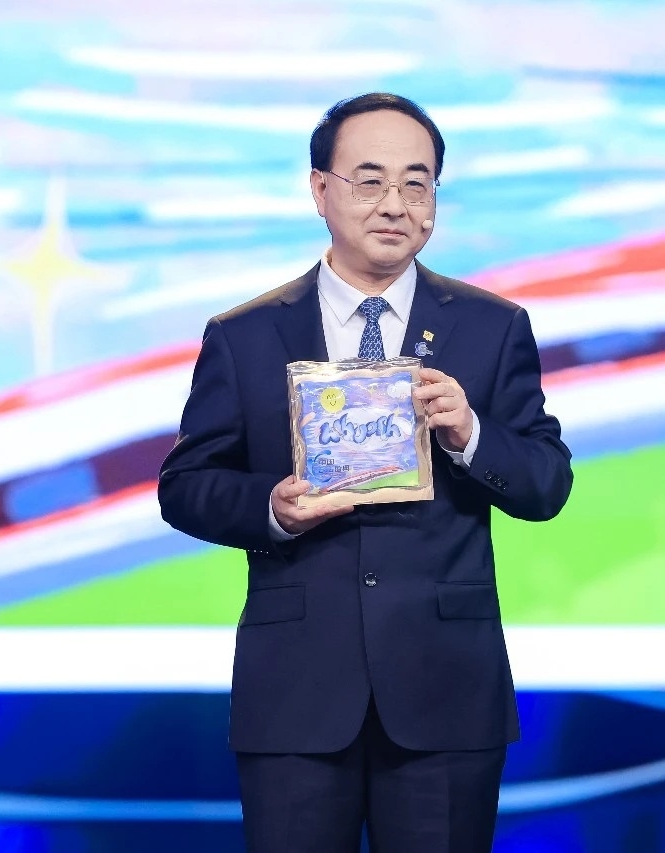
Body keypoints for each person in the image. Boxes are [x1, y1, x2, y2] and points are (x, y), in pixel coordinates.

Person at [158, 92, 573, 852]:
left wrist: (470, 435)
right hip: (296, 695)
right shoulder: (245, 334)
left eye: (417, 183)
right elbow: (185, 487)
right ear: (321, 190)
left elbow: (547, 482)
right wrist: (273, 508)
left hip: (447, 691)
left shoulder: (493, 327)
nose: (395, 204)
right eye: (370, 180)